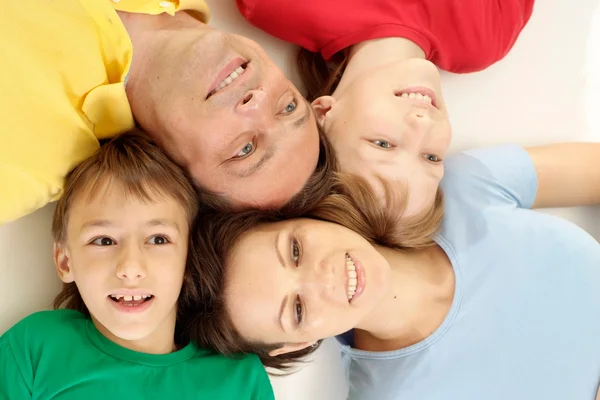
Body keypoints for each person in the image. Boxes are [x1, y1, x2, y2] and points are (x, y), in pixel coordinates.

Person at [186, 142, 600, 399]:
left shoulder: (457, 187)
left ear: (300, 216)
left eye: (294, 251)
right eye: (296, 308)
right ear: (294, 345)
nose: (324, 278)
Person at [1, 0, 330, 225]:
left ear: (173, 175)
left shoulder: (26, 161)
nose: (257, 101)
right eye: (288, 106)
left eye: (245, 150)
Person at [0, 131, 274, 399]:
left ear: (190, 259)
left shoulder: (238, 377)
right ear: (65, 261)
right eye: (104, 241)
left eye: (158, 239)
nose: (130, 267)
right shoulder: (35, 347)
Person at [237, 0, 535, 216]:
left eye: (383, 144)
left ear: (324, 113)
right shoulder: (482, 38)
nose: (422, 124)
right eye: (431, 157)